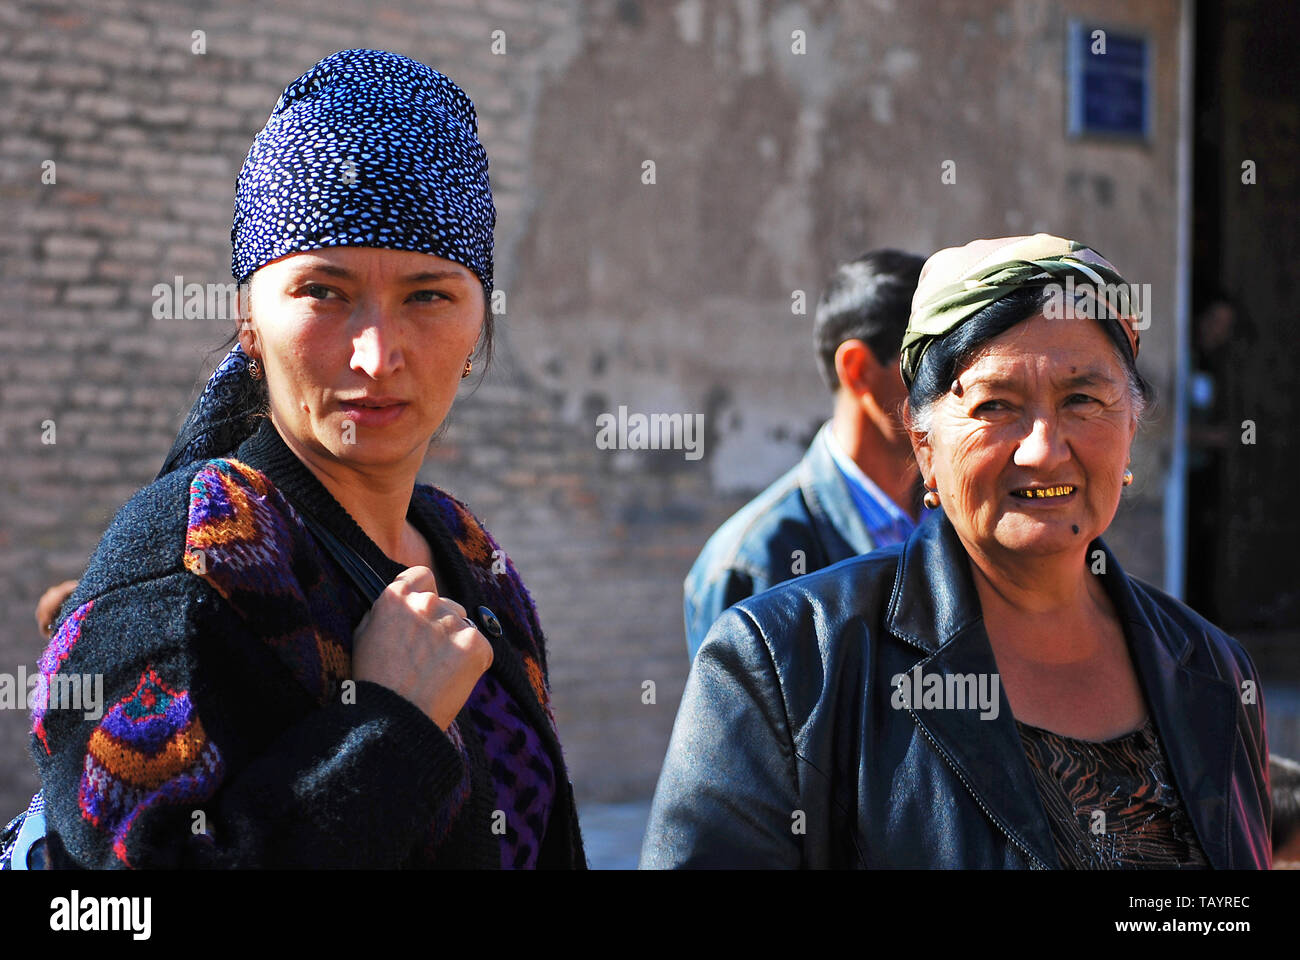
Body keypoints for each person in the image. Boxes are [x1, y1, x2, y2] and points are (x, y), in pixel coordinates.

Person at [23, 49, 586, 869]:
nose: (376, 354)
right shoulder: (190, 562)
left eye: (429, 295)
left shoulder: (470, 553)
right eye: (323, 292)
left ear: (478, 331)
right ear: (249, 323)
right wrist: (388, 725)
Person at [641, 234, 1271, 869]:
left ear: (1130, 428)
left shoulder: (1212, 671)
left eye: (1083, 399)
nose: (1043, 450)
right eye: (996, 405)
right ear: (923, 445)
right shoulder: (787, 663)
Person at [683, 250, 926, 659]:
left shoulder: (962, 516)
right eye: (929, 363)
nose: (957, 388)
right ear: (859, 370)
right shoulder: (752, 565)